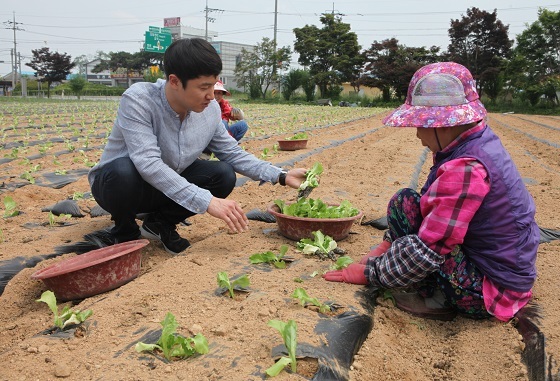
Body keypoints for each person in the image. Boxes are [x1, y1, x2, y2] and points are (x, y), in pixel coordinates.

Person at [323, 62, 539, 322]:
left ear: (443, 125)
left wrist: (371, 273)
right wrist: (384, 248)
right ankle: (418, 278)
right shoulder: (472, 142)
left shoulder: (466, 168)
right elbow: (429, 208)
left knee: (430, 252)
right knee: (405, 201)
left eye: (420, 125)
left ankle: (438, 298)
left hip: (487, 289)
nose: (417, 134)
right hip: (490, 260)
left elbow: (429, 248)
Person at [88, 38, 307, 255]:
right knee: (123, 171)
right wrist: (206, 201)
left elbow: (232, 152)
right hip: (120, 187)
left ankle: (159, 224)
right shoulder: (139, 100)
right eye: (204, 87)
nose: (211, 95)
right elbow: (148, 163)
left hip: (168, 184)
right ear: (174, 81)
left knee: (223, 174)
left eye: (213, 85)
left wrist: (281, 175)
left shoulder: (210, 109)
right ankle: (124, 230)